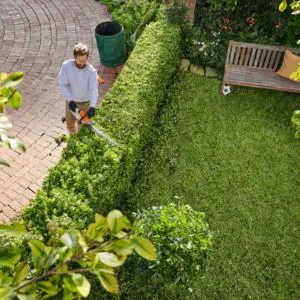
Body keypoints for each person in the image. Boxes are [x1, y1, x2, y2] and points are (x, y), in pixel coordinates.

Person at [59, 42, 98, 135]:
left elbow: (93, 89)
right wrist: (70, 100)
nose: (82, 63)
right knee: (70, 125)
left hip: (85, 104)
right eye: (79, 60)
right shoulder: (66, 66)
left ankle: (78, 143)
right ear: (75, 57)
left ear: (87, 58)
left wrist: (92, 106)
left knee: (83, 129)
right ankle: (72, 138)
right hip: (71, 103)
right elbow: (62, 85)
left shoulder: (91, 71)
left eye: (84, 60)